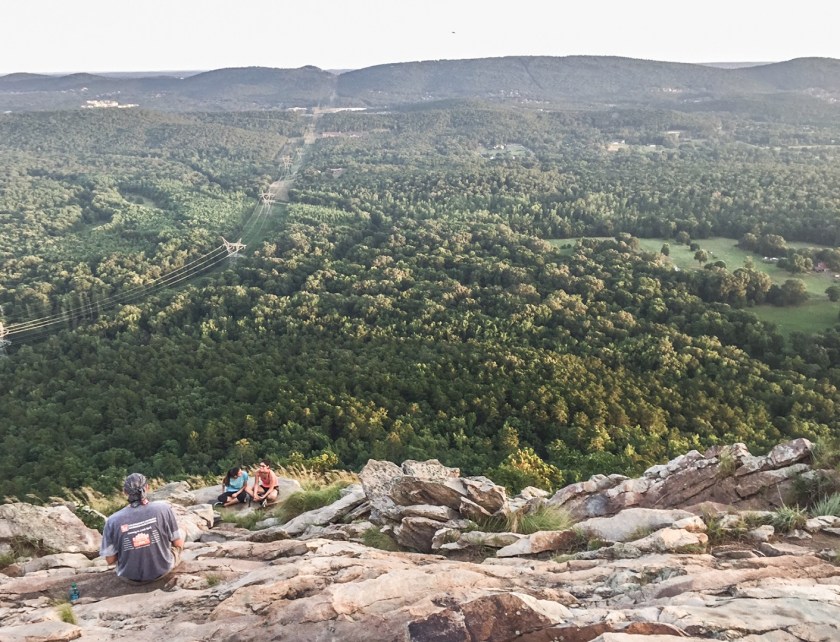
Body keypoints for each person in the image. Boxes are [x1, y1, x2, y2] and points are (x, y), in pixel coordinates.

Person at [100, 473, 184, 584]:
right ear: (147, 487)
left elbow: (110, 560)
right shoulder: (163, 508)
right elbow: (178, 544)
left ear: (125, 492)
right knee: (182, 532)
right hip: (163, 571)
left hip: (129, 577)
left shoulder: (112, 520)